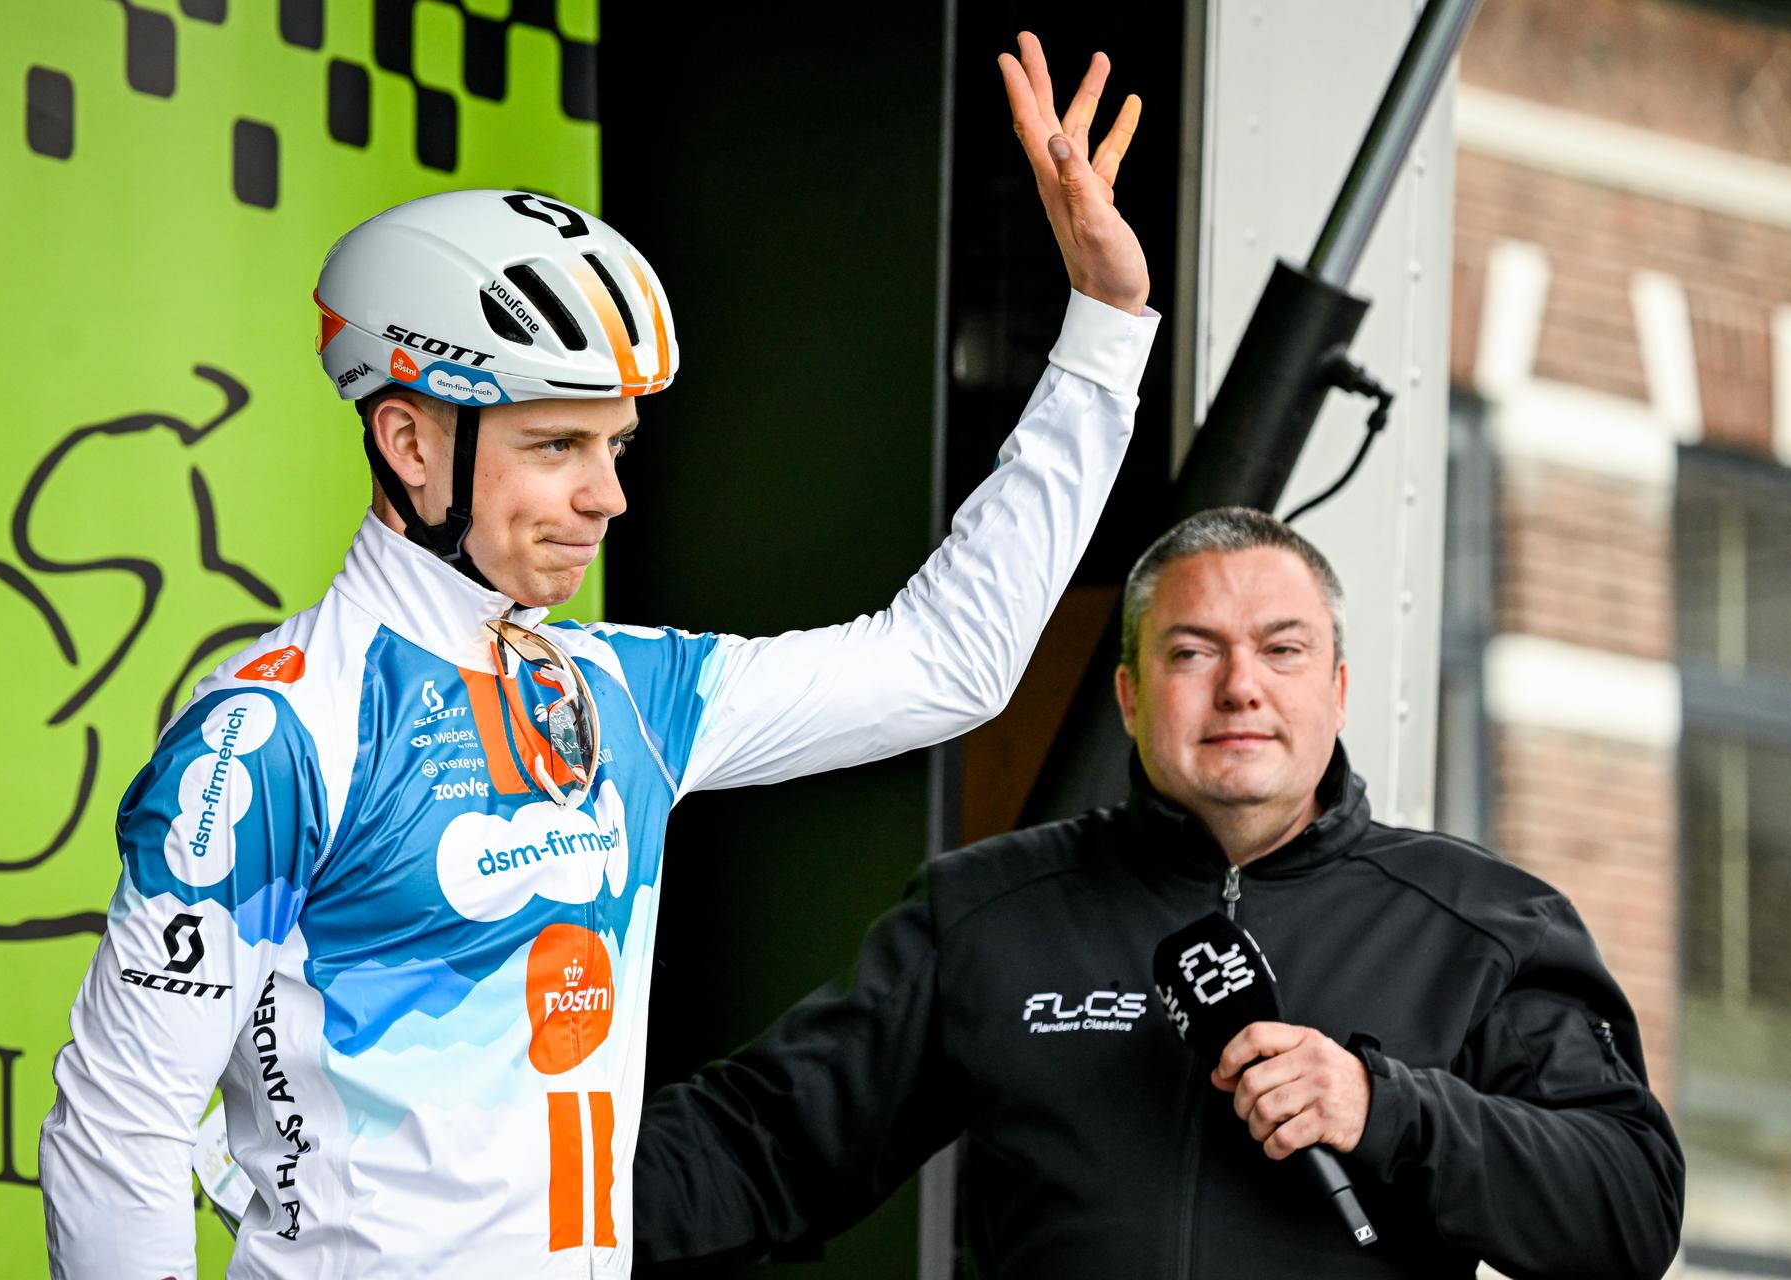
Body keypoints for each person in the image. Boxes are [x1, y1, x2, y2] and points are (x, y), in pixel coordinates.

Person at [38, 33, 1157, 1279]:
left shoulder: (621, 691)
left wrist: (1105, 329)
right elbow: (118, 1131)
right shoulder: (278, 732)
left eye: (616, 446)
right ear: (411, 444)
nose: (608, 496)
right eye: (558, 446)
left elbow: (948, 663)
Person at [632, 507, 1686, 1280]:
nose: (1241, 685)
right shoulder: (991, 908)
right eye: (1194, 651)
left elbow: (1627, 1208)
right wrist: (506, 1174)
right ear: (1131, 695)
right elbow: (761, 1145)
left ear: (1337, 687)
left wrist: (1385, 1107)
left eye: (1283, 649)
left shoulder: (1485, 922)